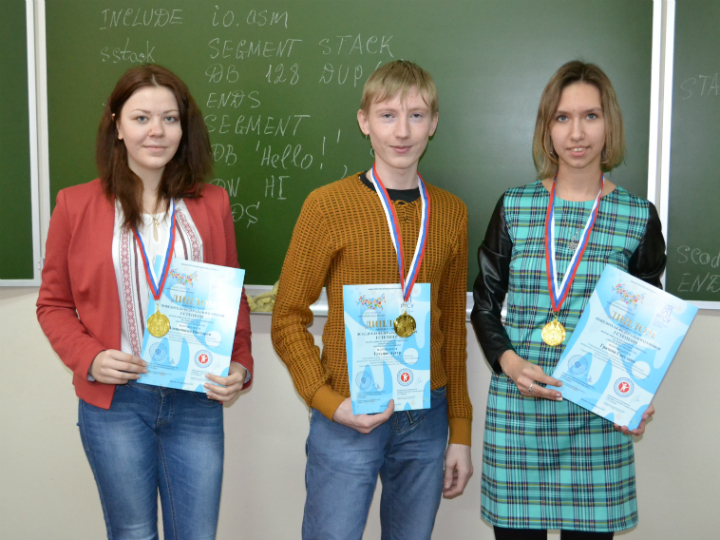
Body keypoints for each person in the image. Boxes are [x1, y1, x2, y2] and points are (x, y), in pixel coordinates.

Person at [36, 64, 253, 540]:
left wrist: (240, 363)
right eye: (141, 118)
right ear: (117, 125)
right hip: (116, 402)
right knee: (133, 532)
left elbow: (231, 296)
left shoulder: (212, 203)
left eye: (170, 119)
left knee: (196, 534)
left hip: (196, 397)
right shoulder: (75, 205)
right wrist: (89, 358)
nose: (157, 131)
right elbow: (53, 304)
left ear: (184, 128)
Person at [271, 60, 473, 540]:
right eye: (387, 115)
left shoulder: (451, 213)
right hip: (347, 409)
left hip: (426, 415)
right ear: (364, 122)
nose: (402, 131)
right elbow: (286, 318)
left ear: (434, 123)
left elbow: (452, 330)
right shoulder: (327, 206)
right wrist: (328, 402)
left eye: (416, 115)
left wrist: (460, 431)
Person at [471, 60, 667, 540]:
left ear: (609, 124)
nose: (577, 133)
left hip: (597, 417)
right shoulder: (514, 206)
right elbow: (485, 303)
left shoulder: (638, 217)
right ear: (547, 128)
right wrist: (510, 363)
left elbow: (649, 324)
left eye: (590, 116)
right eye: (562, 118)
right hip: (519, 413)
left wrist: (635, 395)